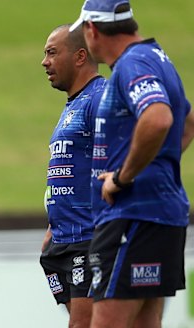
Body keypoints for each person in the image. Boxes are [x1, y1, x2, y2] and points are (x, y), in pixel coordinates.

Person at [69, 1, 194, 327]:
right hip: (162, 215)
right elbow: (188, 121)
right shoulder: (158, 58)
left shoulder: (131, 64)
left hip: (131, 216)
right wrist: (154, 167)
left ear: (92, 30)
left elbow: (158, 118)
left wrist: (125, 177)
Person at [39, 24, 106, 328]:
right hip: (62, 238)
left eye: (52, 52)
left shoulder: (100, 98)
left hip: (88, 238)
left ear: (80, 56)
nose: (44, 61)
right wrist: (55, 222)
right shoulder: (74, 103)